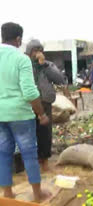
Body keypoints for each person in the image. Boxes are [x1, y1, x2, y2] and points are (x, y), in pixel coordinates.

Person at [0, 22, 51, 202]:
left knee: (3, 153)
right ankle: (37, 195)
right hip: (20, 115)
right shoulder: (21, 59)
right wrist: (42, 114)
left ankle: (7, 194)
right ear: (18, 39)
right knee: (29, 152)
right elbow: (29, 92)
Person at [25, 39, 65, 171]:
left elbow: (60, 80)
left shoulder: (48, 65)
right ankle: (33, 162)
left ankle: (45, 162)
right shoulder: (24, 64)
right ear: (29, 52)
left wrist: (44, 66)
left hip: (45, 103)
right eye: (35, 51)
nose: (37, 53)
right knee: (30, 133)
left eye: (39, 50)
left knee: (45, 133)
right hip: (28, 104)